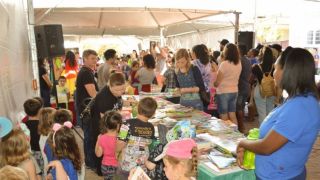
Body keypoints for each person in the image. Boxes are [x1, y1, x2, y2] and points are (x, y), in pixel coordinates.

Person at [237, 48, 320, 179]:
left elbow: (267, 146)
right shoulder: (299, 100)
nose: (273, 73)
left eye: (275, 68)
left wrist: (242, 143)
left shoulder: (299, 106)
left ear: (288, 72)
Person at [91, 72, 126, 175]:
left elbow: (118, 105)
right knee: (103, 149)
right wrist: (118, 130)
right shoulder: (104, 98)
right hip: (104, 127)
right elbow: (105, 121)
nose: (120, 92)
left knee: (109, 149)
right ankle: (101, 171)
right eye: (117, 90)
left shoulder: (115, 93)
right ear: (109, 85)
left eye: (122, 89)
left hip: (112, 126)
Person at [117, 97, 157, 179]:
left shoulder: (127, 124)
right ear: (153, 114)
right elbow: (150, 145)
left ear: (137, 108)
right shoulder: (151, 127)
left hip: (127, 166)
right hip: (142, 167)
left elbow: (120, 143)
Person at [75, 49, 98, 168]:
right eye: (92, 58)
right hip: (87, 110)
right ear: (85, 59)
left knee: (89, 137)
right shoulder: (86, 73)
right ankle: (90, 162)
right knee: (89, 137)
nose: (95, 60)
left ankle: (90, 162)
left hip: (86, 109)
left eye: (96, 58)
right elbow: (93, 94)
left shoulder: (86, 71)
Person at [214, 43, 242, 124]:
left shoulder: (224, 64)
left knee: (224, 116)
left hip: (223, 92)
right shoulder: (239, 63)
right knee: (232, 114)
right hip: (234, 91)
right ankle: (236, 134)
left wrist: (214, 83)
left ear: (226, 52)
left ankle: (226, 136)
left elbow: (217, 83)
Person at [95, 111, 122, 180]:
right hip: (118, 166)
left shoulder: (102, 137)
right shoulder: (121, 138)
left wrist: (98, 140)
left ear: (105, 125)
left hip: (105, 166)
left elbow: (98, 154)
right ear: (118, 126)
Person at [252, 46, 276, 124]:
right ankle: (269, 132)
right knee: (270, 113)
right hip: (271, 90)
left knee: (262, 114)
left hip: (259, 90)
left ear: (261, 55)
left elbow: (251, 80)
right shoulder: (275, 67)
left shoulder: (256, 67)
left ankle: (263, 133)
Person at [23, 98, 44, 174]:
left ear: (25, 111)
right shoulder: (42, 125)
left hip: (29, 154)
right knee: (43, 171)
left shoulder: (23, 125)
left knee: (34, 172)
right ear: (39, 111)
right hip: (41, 152)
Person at [192, 44, 212, 111]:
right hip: (209, 89)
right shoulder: (209, 62)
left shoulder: (194, 63)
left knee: (199, 110)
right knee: (207, 109)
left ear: (195, 53)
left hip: (198, 89)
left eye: (192, 52)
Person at [236, 45, 252, 133]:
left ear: (239, 50)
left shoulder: (240, 61)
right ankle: (241, 127)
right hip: (246, 86)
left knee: (239, 108)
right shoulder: (248, 60)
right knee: (241, 107)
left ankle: (241, 127)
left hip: (240, 87)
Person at [37, 107, 56, 176]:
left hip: (48, 165)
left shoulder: (43, 135)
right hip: (52, 167)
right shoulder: (51, 136)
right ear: (51, 120)